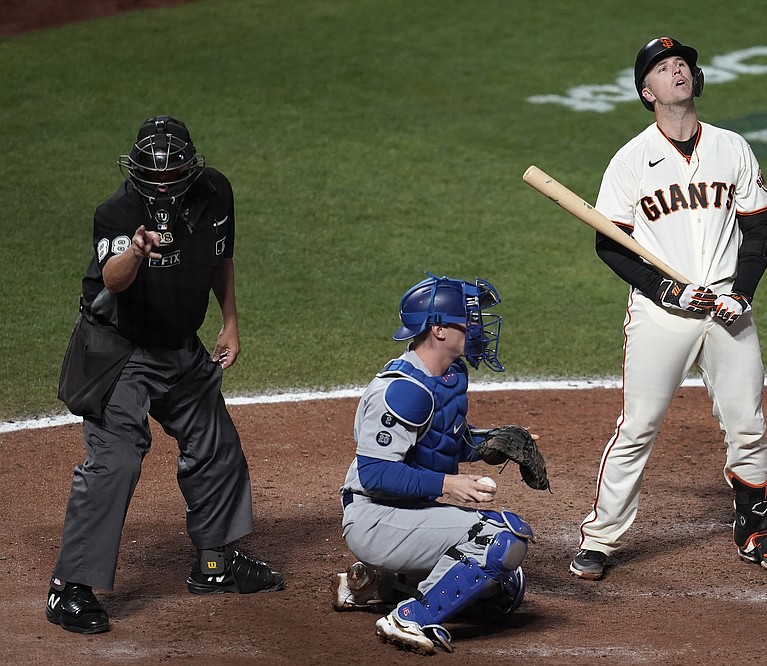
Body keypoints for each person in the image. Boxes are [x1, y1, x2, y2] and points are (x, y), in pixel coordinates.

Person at [569, 37, 767, 581]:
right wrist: (665, 291)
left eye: (683, 66)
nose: (678, 73)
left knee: (747, 423)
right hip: (662, 313)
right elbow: (610, 244)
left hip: (726, 306)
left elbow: (760, 230)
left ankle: (756, 529)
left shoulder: (731, 148)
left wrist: (740, 292)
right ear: (647, 92)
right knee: (639, 424)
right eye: (664, 69)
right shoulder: (630, 161)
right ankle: (600, 537)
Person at [46, 116, 283, 635]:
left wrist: (230, 323)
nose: (161, 184)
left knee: (215, 443)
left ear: (190, 167)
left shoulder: (214, 192)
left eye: (172, 173)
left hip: (179, 346)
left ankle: (214, 563)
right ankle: (70, 588)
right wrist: (135, 251)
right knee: (116, 459)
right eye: (152, 176)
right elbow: (113, 278)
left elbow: (222, 259)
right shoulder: (117, 211)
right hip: (118, 352)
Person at [333, 274, 536, 655]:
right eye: (469, 319)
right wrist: (449, 485)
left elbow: (441, 443)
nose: (477, 328)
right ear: (439, 329)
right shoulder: (403, 390)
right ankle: (409, 616)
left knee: (506, 589)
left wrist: (492, 444)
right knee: (499, 542)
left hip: (406, 512)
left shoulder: (448, 375)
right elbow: (375, 473)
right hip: (374, 517)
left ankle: (378, 585)